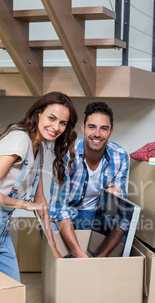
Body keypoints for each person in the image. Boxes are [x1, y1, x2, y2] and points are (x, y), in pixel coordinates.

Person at [0, 91, 78, 281]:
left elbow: (40, 201)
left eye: (63, 123)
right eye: (51, 118)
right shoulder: (19, 139)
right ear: (38, 114)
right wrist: (25, 205)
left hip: (1, 228)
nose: (56, 127)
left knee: (12, 287)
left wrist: (55, 251)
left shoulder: (39, 149)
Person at [49, 101, 129, 258]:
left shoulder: (120, 155)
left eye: (103, 128)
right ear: (84, 128)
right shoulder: (66, 155)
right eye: (92, 127)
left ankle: (100, 258)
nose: (97, 134)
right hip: (71, 215)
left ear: (111, 131)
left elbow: (121, 210)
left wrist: (115, 198)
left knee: (127, 220)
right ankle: (76, 257)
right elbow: (59, 209)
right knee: (47, 228)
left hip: (99, 218)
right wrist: (79, 254)